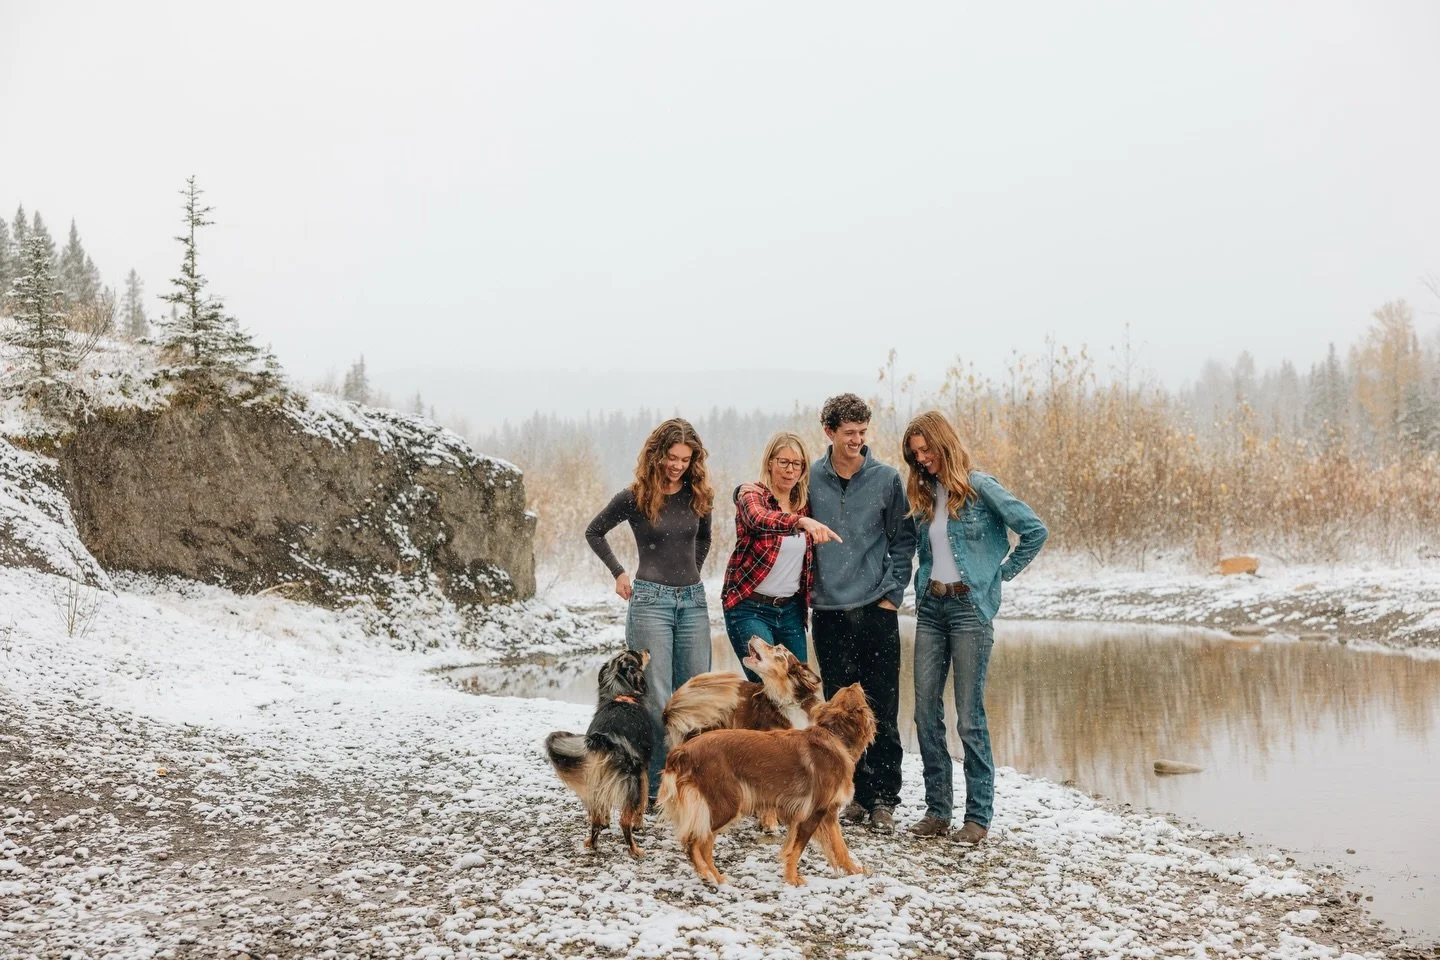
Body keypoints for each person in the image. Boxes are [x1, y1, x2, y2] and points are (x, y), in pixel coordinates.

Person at [900, 410, 1047, 844]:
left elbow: (1034, 530)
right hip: (931, 608)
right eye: (915, 454)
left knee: (969, 718)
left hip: (969, 611)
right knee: (925, 713)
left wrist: (999, 575)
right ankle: (937, 811)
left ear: (945, 442)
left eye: (926, 449)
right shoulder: (925, 495)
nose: (922, 459)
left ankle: (978, 817)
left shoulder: (981, 487)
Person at [585, 417, 714, 804]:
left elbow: (704, 539)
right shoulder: (635, 495)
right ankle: (657, 792)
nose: (678, 465)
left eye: (685, 459)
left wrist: (690, 575)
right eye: (672, 458)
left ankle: (694, 788)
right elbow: (594, 531)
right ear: (657, 455)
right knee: (657, 701)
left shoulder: (699, 494)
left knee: (694, 699)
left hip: (692, 601)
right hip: (650, 602)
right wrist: (619, 573)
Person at [804, 393, 915, 835]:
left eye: (862, 432)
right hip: (828, 611)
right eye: (849, 433)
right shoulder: (809, 477)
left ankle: (884, 798)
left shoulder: (887, 479)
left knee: (882, 706)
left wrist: (892, 594)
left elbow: (904, 540)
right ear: (829, 432)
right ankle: (854, 793)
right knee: (840, 711)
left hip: (875, 609)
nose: (857, 440)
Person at [721, 432, 840, 680]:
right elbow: (759, 518)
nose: (790, 470)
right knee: (768, 687)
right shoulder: (752, 495)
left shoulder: (804, 501)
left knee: (799, 687)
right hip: (749, 607)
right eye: (783, 462)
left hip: (789, 611)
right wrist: (800, 521)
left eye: (797, 464)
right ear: (770, 463)